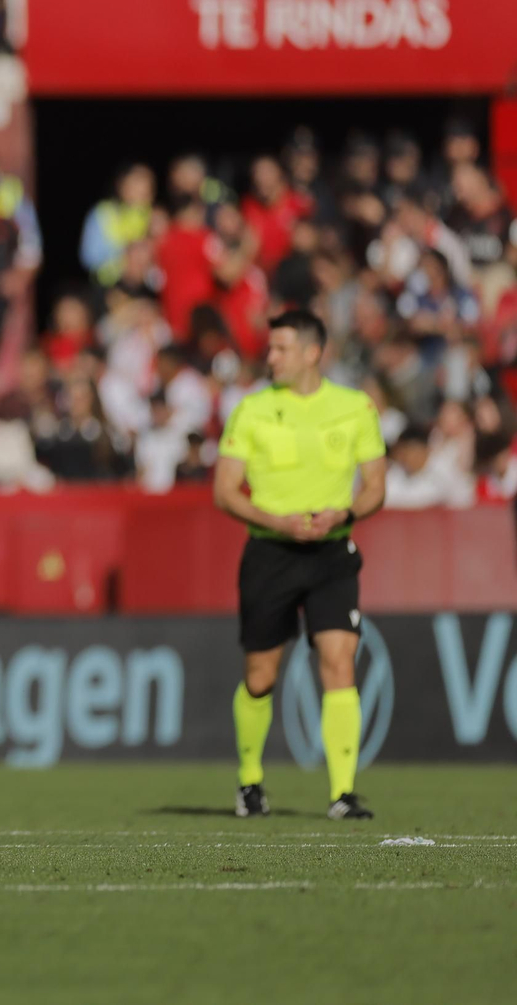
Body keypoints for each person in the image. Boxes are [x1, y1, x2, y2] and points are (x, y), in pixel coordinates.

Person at [214, 309, 387, 822]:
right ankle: (249, 782)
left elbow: (376, 486)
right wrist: (276, 520)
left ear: (313, 353)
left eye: (281, 349)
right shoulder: (252, 410)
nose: (270, 357)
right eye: (271, 348)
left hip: (332, 553)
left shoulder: (355, 407)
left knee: (339, 661)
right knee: (260, 675)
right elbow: (224, 491)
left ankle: (342, 793)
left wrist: (347, 511)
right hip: (270, 552)